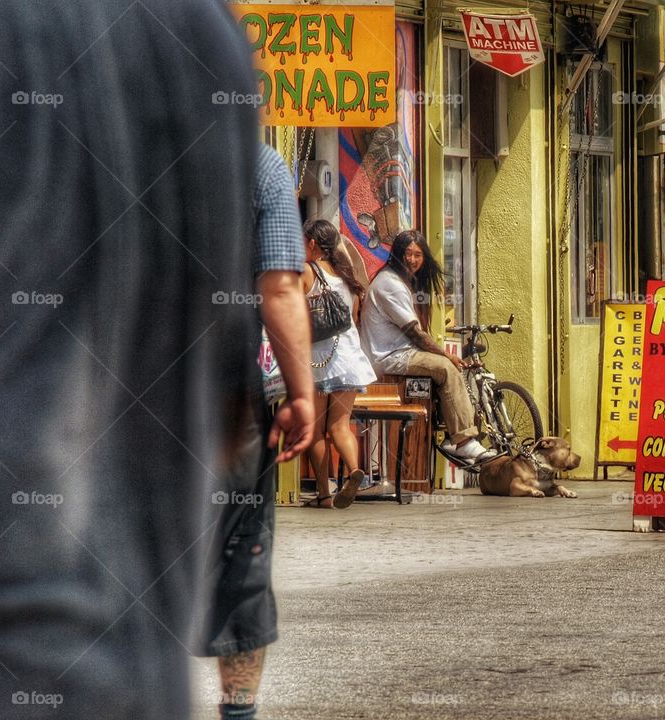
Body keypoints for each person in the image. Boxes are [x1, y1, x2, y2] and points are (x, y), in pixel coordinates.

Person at [0, 1, 300, 718]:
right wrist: (301, 391)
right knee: (243, 566)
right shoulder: (201, 36)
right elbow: (231, 372)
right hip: (129, 675)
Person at [195, 143, 314, 720]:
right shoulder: (255, 162)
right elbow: (280, 288)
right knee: (240, 553)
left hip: (96, 390)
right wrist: (301, 394)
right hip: (223, 396)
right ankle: (237, 712)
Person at [360, 230, 496, 463]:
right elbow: (414, 332)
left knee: (445, 368)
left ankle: (449, 434)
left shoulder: (402, 282)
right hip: (389, 357)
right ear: (397, 255)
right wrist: (446, 355)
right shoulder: (389, 284)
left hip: (401, 353)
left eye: (417, 255)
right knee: (445, 367)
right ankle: (463, 441)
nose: (412, 260)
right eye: (407, 254)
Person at [301, 219, 377, 508]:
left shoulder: (308, 272)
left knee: (316, 430)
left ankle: (323, 494)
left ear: (312, 244)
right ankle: (354, 469)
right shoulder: (348, 277)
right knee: (340, 427)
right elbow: (354, 320)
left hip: (318, 362)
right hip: (348, 358)